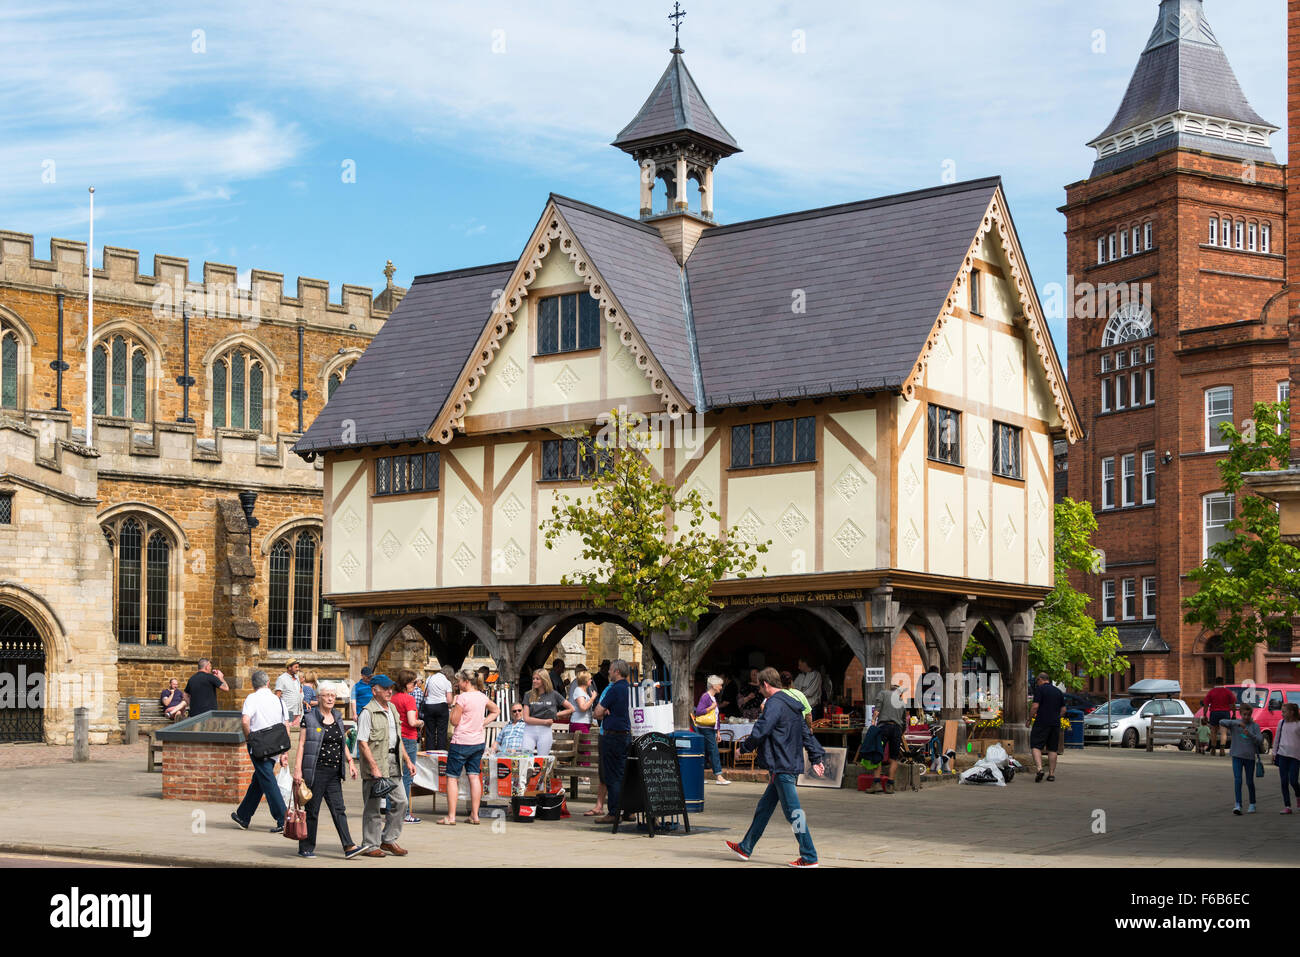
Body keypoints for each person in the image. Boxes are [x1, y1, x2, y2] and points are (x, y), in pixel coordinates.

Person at [725, 667, 826, 868]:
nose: (761, 692)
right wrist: (816, 758)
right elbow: (806, 733)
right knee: (764, 807)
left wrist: (743, 748)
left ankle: (809, 856)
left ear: (766, 685)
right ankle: (746, 847)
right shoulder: (793, 704)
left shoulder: (773, 704)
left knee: (794, 812)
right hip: (785, 764)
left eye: (761, 689)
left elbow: (761, 730)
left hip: (781, 765)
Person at [292, 684, 365, 859]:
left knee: (339, 809)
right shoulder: (309, 718)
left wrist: (351, 762)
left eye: (333, 695)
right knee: (313, 811)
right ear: (320, 698)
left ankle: (349, 846)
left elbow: (342, 743)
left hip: (334, 772)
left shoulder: (338, 717)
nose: (330, 698)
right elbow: (302, 744)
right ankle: (306, 847)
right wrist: (297, 770)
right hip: (316, 771)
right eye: (326, 695)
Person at [357, 674, 415, 856]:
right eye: (385, 688)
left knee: (401, 802)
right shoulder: (367, 712)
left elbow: (398, 738)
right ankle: (370, 845)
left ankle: (388, 839)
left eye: (391, 687)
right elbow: (362, 742)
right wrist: (374, 767)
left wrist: (407, 760)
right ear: (375, 691)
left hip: (393, 762)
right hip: (376, 764)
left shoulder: (393, 709)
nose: (390, 691)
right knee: (373, 806)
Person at [231, 669, 289, 833]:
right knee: (260, 779)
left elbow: (245, 720)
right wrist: (284, 753)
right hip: (277, 745)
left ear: (253, 685)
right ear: (268, 683)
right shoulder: (279, 700)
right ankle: (243, 815)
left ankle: (283, 818)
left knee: (268, 780)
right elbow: (285, 726)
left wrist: (248, 738)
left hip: (259, 745)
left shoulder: (252, 698)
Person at [441, 670, 499, 825]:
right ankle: (475, 815)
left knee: (452, 777)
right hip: (478, 742)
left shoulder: (462, 698)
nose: (457, 684)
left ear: (466, 682)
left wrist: (454, 703)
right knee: (474, 776)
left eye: (459, 681)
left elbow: (454, 721)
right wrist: (483, 722)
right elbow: (496, 710)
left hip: (461, 741)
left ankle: (451, 817)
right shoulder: (482, 696)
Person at [592, 659, 632, 825]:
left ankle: (614, 812)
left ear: (616, 671)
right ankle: (629, 810)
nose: (608, 672)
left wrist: (604, 711)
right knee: (623, 774)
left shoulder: (614, 689)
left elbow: (597, 712)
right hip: (625, 735)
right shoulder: (628, 688)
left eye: (610, 670)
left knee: (612, 776)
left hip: (613, 736)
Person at [391, 669, 424, 824]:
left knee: (393, 774)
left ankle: (392, 811)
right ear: (407, 683)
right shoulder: (409, 699)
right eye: (413, 682)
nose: (415, 685)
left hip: (395, 738)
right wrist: (421, 722)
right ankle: (404, 813)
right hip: (409, 738)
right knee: (407, 775)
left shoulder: (393, 698)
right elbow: (412, 721)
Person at [1221, 704, 1265, 815]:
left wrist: (1250, 734)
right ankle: (1238, 804)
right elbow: (1221, 721)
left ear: (1251, 714)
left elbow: (1260, 740)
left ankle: (1252, 803)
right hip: (1236, 755)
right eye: (1244, 714)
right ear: (1241, 714)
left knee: (1249, 781)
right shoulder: (1236, 724)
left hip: (1249, 757)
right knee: (1238, 780)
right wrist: (1237, 722)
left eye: (1249, 715)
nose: (1246, 717)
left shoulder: (1255, 726)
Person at [522, 669, 572, 757]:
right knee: (525, 758)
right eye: (533, 678)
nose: (534, 681)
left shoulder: (553, 694)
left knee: (542, 759)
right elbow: (526, 719)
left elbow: (571, 708)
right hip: (529, 731)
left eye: (537, 679)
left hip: (545, 731)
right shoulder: (528, 694)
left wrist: (555, 715)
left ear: (544, 680)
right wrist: (544, 721)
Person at [1029, 672, 1067, 782]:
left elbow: (1035, 706)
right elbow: (1064, 709)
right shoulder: (1058, 691)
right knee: (1053, 749)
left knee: (1036, 745)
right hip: (1055, 723)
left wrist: (1029, 718)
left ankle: (1040, 769)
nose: (1037, 684)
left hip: (1041, 722)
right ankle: (1051, 774)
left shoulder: (1040, 690)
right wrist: (1056, 717)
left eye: (1037, 681)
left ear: (1041, 679)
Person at [693, 675, 730, 786]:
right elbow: (698, 712)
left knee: (704, 752)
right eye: (720, 685)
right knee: (713, 751)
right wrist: (711, 707)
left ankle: (700, 776)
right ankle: (719, 776)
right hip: (705, 728)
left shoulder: (713, 698)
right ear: (714, 686)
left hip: (710, 729)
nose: (721, 687)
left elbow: (716, 717)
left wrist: (718, 731)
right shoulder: (706, 697)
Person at [872, 680, 908, 790]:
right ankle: (890, 785)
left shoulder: (883, 693)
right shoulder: (901, 702)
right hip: (897, 729)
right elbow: (904, 723)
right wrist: (900, 732)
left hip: (883, 727)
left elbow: (877, 711)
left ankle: (877, 784)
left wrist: (873, 722)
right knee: (893, 758)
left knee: (878, 754)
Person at [1272, 702, 1300, 814]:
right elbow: (1277, 738)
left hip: (1295, 757)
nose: (1282, 714)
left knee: (1293, 780)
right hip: (1282, 755)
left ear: (1291, 712)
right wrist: (1274, 752)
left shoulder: (1298, 724)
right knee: (1284, 781)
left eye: (1284, 712)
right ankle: (1287, 806)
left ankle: (1298, 797)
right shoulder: (1281, 723)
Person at [1201, 678, 1237, 757]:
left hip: (1214, 713)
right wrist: (1234, 714)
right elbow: (1233, 704)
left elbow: (1206, 704)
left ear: (1215, 683)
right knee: (1223, 732)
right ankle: (1222, 749)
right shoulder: (1228, 692)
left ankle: (1213, 748)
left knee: (1213, 731)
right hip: (1225, 713)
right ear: (1223, 682)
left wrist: (1204, 715)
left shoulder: (1211, 692)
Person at [422, 665, 454, 752]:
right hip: (442, 707)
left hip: (429, 706)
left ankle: (429, 755)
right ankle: (440, 755)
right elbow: (449, 700)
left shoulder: (430, 678)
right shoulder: (447, 682)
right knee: (442, 732)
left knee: (430, 733)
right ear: (448, 674)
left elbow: (426, 694)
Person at [275, 659, 304, 727]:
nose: (298, 669)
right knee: (288, 732)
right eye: (296, 667)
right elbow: (277, 696)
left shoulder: (297, 678)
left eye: (298, 667)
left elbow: (298, 693)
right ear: (289, 667)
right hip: (288, 712)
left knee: (297, 734)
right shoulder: (281, 679)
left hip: (298, 711)